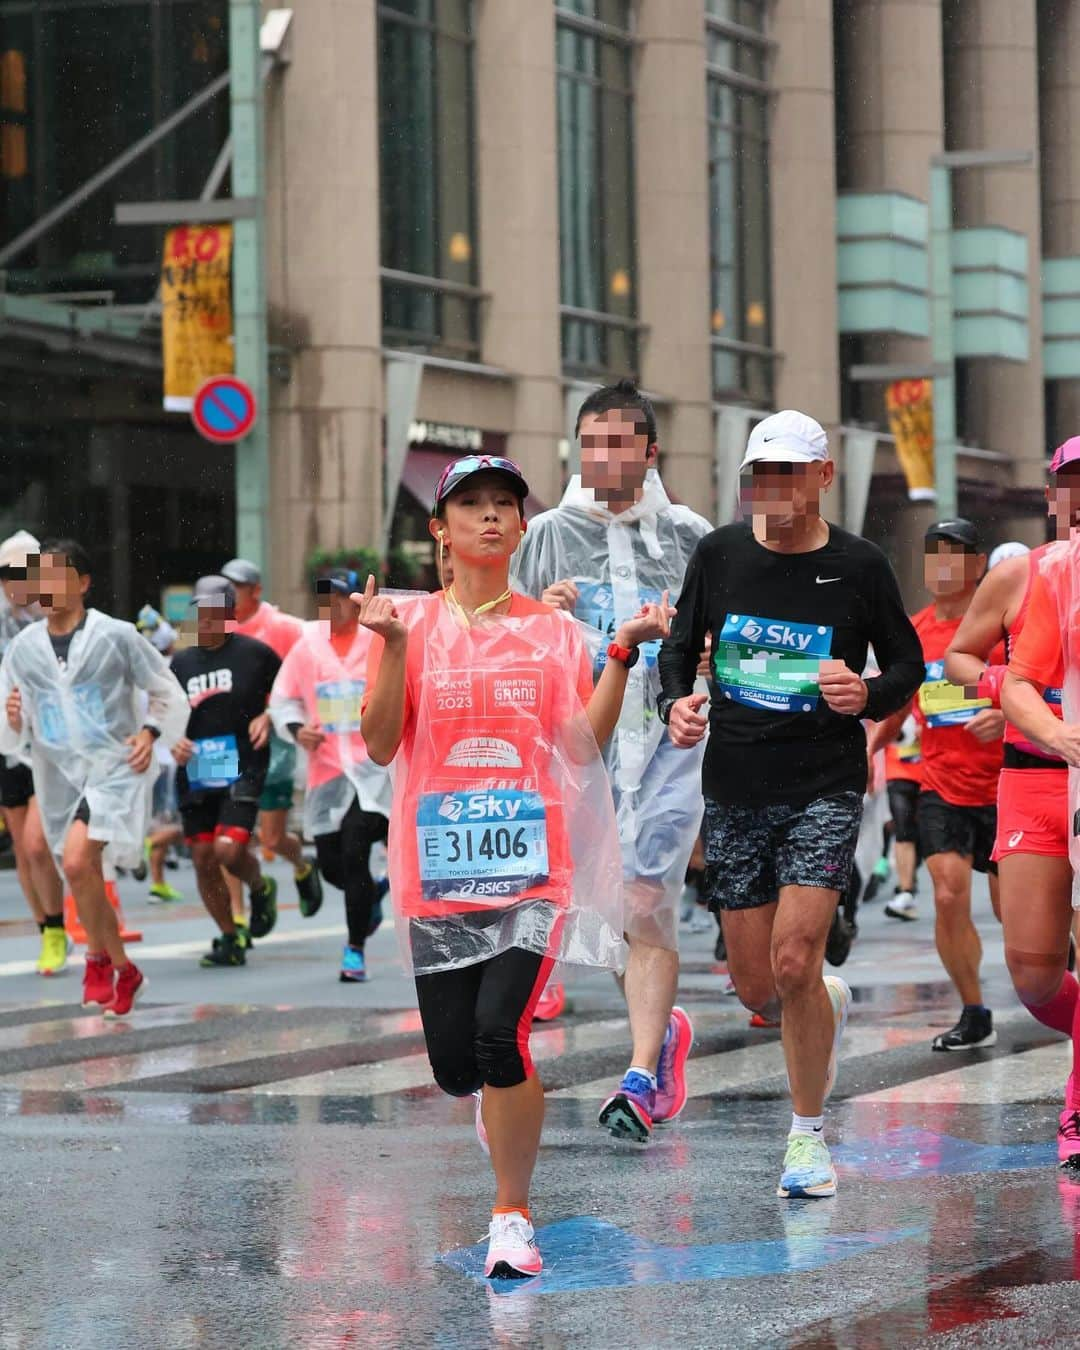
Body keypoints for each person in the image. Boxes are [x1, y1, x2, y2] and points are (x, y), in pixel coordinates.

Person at [359, 453, 668, 1278]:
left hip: (533, 870)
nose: (489, 517)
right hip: (440, 872)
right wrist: (390, 648)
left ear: (522, 526)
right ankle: (498, 1107)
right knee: (457, 1065)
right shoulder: (408, 624)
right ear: (440, 530)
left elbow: (581, 746)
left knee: (503, 1038)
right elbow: (383, 742)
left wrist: (620, 658)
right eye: (471, 507)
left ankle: (512, 1215)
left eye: (504, 505)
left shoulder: (555, 631)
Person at [660, 410, 923, 1199]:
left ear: (821, 479)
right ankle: (823, 1002)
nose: (768, 492)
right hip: (735, 785)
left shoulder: (860, 564)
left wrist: (866, 692)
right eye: (757, 477)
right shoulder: (720, 554)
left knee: (794, 957)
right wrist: (678, 701)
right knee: (757, 988)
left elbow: (908, 663)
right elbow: (678, 646)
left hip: (823, 783)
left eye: (784, 475)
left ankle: (807, 1140)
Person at [513, 379, 711, 1142]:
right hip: (579, 749)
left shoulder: (693, 537)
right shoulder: (546, 538)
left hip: (670, 745)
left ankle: (637, 1074)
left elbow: (722, 644)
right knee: (601, 908)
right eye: (589, 442)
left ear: (650, 450)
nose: (601, 456)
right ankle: (662, 1035)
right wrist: (547, 619)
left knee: (644, 898)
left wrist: (692, 675)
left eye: (617, 442)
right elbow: (509, 643)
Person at [0, 540, 188, 1015]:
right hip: (58, 773)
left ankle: (98, 959)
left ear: (82, 583)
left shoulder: (116, 636)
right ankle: (122, 967)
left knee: (80, 861)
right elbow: (8, 735)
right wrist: (15, 717)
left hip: (116, 768)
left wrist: (149, 733)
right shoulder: (23, 651)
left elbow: (166, 692)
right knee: (79, 870)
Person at [972, 437, 1080, 1167]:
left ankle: (1077, 1103)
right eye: (1072, 482)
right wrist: (1006, 698)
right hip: (1032, 779)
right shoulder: (1029, 574)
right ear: (1050, 496)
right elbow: (957, 663)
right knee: (1033, 967)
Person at [874, 520, 1006, 1051]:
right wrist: (869, 747)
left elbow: (1038, 689)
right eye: (932, 557)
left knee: (1012, 917)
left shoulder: (1002, 627)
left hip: (1006, 786)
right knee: (948, 894)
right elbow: (901, 699)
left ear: (979, 565)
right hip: (941, 784)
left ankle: (1050, 965)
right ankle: (974, 1009)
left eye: (953, 556)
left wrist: (1006, 718)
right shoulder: (916, 628)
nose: (941, 568)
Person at [270, 568, 391, 982]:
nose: (331, 605)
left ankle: (354, 950)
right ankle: (372, 894)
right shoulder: (307, 648)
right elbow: (283, 699)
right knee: (332, 866)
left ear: (354, 600)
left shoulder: (376, 641)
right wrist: (294, 729)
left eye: (338, 596)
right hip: (326, 771)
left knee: (356, 847)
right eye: (323, 597)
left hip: (372, 770)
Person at [170, 576, 282, 967]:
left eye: (215, 612)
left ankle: (259, 884)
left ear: (231, 615)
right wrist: (173, 741)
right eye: (200, 611)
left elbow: (292, 694)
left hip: (243, 765)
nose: (205, 620)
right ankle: (229, 937)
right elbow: (163, 713)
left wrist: (271, 715)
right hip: (196, 769)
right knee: (203, 856)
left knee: (227, 850)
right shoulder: (180, 662)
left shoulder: (257, 655)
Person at [219, 558, 322, 926]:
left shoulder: (282, 627)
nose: (228, 595)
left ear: (256, 591)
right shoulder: (212, 626)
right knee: (226, 836)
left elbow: (319, 659)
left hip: (270, 741)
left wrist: (274, 712)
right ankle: (237, 919)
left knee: (272, 838)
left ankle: (302, 864)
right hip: (224, 743)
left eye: (236, 588)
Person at [0, 531, 68, 974]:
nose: (12, 581)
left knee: (37, 844)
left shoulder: (55, 611)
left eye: (20, 572)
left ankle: (60, 927)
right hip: (7, 742)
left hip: (50, 742)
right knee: (23, 852)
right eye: (4, 573)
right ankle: (46, 930)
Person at [882, 714, 923, 921]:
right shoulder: (897, 684)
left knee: (925, 836)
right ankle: (906, 892)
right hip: (898, 768)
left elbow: (974, 695)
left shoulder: (947, 682)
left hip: (936, 768)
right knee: (903, 830)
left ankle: (911, 880)